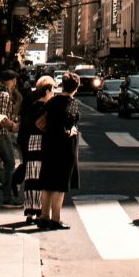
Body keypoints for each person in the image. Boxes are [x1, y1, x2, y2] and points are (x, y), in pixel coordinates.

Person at [33, 72, 81, 230]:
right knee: (60, 185)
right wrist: (71, 130)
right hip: (64, 147)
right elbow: (69, 123)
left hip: (48, 144)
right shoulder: (72, 103)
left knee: (47, 183)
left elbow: (40, 120)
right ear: (75, 88)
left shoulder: (52, 101)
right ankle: (55, 219)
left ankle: (44, 217)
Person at [18, 76, 55, 221]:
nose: (53, 93)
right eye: (52, 90)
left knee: (30, 176)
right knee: (41, 178)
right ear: (47, 91)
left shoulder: (32, 106)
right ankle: (39, 210)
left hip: (31, 142)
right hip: (43, 143)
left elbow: (26, 126)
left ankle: (29, 210)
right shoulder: (47, 107)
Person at [0, 70, 21, 206]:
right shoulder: (4, 94)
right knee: (10, 163)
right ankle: (7, 197)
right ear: (12, 80)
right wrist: (12, 125)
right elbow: (1, 117)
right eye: (15, 80)